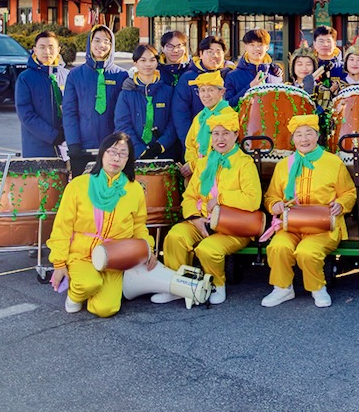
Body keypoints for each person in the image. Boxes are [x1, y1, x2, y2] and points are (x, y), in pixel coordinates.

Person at [154, 112, 262, 306]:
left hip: (233, 226)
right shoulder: (203, 164)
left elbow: (253, 200)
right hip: (201, 220)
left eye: (226, 133)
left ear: (236, 135)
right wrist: (195, 218)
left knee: (207, 249)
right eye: (216, 133)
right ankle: (178, 286)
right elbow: (189, 197)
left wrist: (220, 199)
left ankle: (216, 285)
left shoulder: (244, 163)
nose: (220, 139)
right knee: (175, 237)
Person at [47, 132, 156, 317]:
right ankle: (76, 294)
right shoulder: (79, 185)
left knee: (106, 309)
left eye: (123, 154)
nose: (116, 158)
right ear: (102, 154)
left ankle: (94, 292)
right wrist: (59, 263)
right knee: (88, 283)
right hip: (82, 255)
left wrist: (148, 248)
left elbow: (139, 225)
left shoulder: (135, 189)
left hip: (115, 258)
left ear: (128, 160)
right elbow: (62, 226)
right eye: (112, 151)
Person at [261, 115, 357, 308]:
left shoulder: (333, 162)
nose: (304, 139)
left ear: (317, 136)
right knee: (278, 247)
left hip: (324, 226)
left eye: (308, 134)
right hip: (291, 225)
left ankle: (317, 288)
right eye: (298, 134)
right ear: (293, 139)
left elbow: (349, 192)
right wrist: (276, 204)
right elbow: (270, 197)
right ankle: (282, 288)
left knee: (307, 252)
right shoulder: (283, 166)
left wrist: (341, 203)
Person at [63, 24, 127, 178]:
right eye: (97, 40)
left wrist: (119, 144)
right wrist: (73, 143)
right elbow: (69, 111)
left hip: (112, 148)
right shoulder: (75, 75)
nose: (101, 45)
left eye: (106, 41)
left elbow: (124, 115)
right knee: (84, 193)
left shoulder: (121, 76)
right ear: (89, 43)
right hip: (82, 146)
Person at [114, 44, 176, 160]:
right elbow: (122, 124)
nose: (148, 64)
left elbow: (173, 121)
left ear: (157, 62)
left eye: (152, 60)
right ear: (135, 63)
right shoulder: (126, 93)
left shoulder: (168, 91)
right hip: (134, 154)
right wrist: (140, 150)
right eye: (143, 60)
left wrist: (161, 145)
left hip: (164, 153)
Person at [15, 31, 69, 158]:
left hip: (66, 145)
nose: (47, 52)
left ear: (58, 50)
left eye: (51, 47)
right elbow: (26, 114)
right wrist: (52, 135)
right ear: (34, 50)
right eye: (42, 47)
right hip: (37, 145)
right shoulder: (26, 78)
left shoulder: (68, 76)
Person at [172, 36, 232, 147]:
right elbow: (180, 114)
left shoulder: (230, 75)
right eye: (210, 52)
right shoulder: (189, 78)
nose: (215, 56)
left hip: (226, 143)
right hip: (197, 142)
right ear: (201, 54)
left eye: (219, 51)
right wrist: (190, 143)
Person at [182, 70, 235, 179]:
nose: (206, 95)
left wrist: (194, 165)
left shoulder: (229, 116)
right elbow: (190, 144)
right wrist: (191, 162)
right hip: (198, 173)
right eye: (202, 90)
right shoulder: (200, 117)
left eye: (211, 90)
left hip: (220, 174)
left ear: (222, 92)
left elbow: (221, 150)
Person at [224, 28, 284, 108]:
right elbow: (228, 105)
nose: (256, 48)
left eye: (260, 44)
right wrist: (250, 88)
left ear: (267, 47)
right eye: (252, 45)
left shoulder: (275, 73)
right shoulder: (232, 76)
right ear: (245, 47)